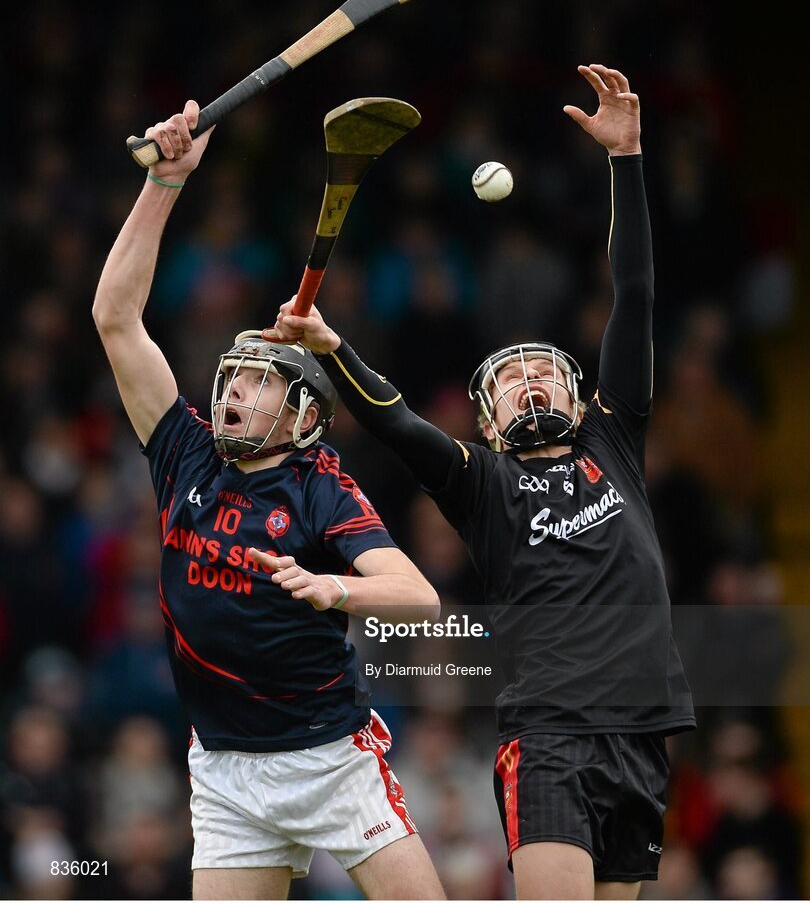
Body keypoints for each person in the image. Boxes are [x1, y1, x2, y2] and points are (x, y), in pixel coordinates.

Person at [270, 64, 697, 900]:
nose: (531, 383)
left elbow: (636, 295)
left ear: (580, 398)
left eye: (545, 373)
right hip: (549, 739)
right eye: (510, 380)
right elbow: (394, 421)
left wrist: (628, 158)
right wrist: (329, 347)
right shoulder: (481, 483)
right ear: (489, 421)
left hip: (645, 733)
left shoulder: (615, 442)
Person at [92, 102, 445, 901]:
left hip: (327, 756)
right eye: (229, 377)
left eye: (255, 382)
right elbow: (115, 318)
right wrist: (166, 184)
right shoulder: (183, 449)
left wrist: (333, 587)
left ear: (306, 414)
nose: (230, 393)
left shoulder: (321, 486)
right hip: (223, 765)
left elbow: (418, 596)